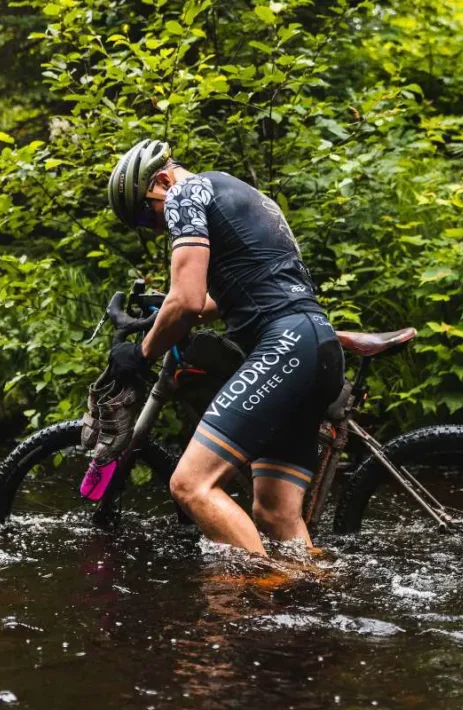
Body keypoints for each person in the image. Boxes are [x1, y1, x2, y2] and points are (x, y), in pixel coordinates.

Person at [106, 139, 344, 556]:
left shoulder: (183, 193)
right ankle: (310, 602)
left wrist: (141, 354)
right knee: (276, 514)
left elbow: (188, 301)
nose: (157, 227)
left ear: (161, 180)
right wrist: (161, 317)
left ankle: (261, 594)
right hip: (316, 345)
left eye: (148, 214)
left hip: (284, 345)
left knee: (192, 485)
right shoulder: (236, 191)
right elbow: (229, 297)